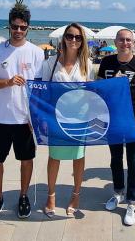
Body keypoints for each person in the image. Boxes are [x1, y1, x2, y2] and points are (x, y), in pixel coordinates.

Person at [0, 0, 44, 222]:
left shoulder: (36, 53)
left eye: (22, 27)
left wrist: (35, 117)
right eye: (14, 26)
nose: (18, 31)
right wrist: (6, 83)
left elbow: (40, 88)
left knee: (26, 160)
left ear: (28, 28)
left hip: (24, 119)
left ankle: (24, 196)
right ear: (9, 26)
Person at [98, 28, 135, 226]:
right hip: (113, 119)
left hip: (134, 120)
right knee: (115, 159)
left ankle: (132, 202)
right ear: (115, 42)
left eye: (128, 40)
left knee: (134, 162)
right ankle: (118, 192)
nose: (125, 43)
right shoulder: (106, 62)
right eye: (121, 40)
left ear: (133, 43)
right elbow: (100, 91)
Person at [41, 23, 95, 218]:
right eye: (70, 36)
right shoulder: (50, 63)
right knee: (54, 157)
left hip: (80, 118)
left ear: (82, 42)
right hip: (57, 118)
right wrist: (42, 118)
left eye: (78, 37)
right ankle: (51, 195)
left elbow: (92, 92)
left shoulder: (87, 64)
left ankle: (76, 196)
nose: (73, 40)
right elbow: (43, 92)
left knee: (78, 157)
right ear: (64, 38)